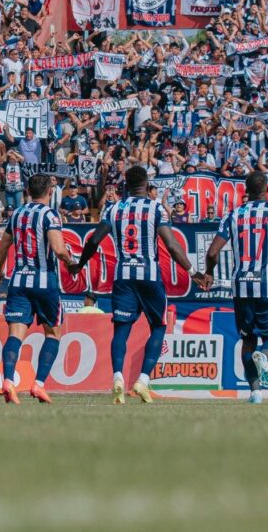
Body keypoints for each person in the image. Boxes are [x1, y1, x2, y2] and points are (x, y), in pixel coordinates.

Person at [73, 165, 193, 404]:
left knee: (121, 330)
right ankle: (142, 380)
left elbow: (94, 239)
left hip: (123, 277)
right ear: (147, 185)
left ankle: (117, 377)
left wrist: (80, 264)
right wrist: (193, 271)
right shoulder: (156, 208)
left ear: (125, 185)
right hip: (149, 275)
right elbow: (171, 244)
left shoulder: (113, 208)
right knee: (158, 327)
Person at [203, 170, 268, 404]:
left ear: (246, 192)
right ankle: (265, 356)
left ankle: (255, 392)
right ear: (267, 189)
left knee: (248, 341)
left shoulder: (233, 215)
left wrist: (209, 273)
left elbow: (212, 252)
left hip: (241, 287)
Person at [0, 174, 79, 404]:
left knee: (15, 335)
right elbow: (59, 249)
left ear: (27, 191)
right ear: (50, 191)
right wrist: (71, 263)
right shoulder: (50, 215)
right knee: (52, 333)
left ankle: (9, 380)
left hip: (19, 281)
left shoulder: (18, 213)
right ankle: (38, 384)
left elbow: (4, 244)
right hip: (44, 282)